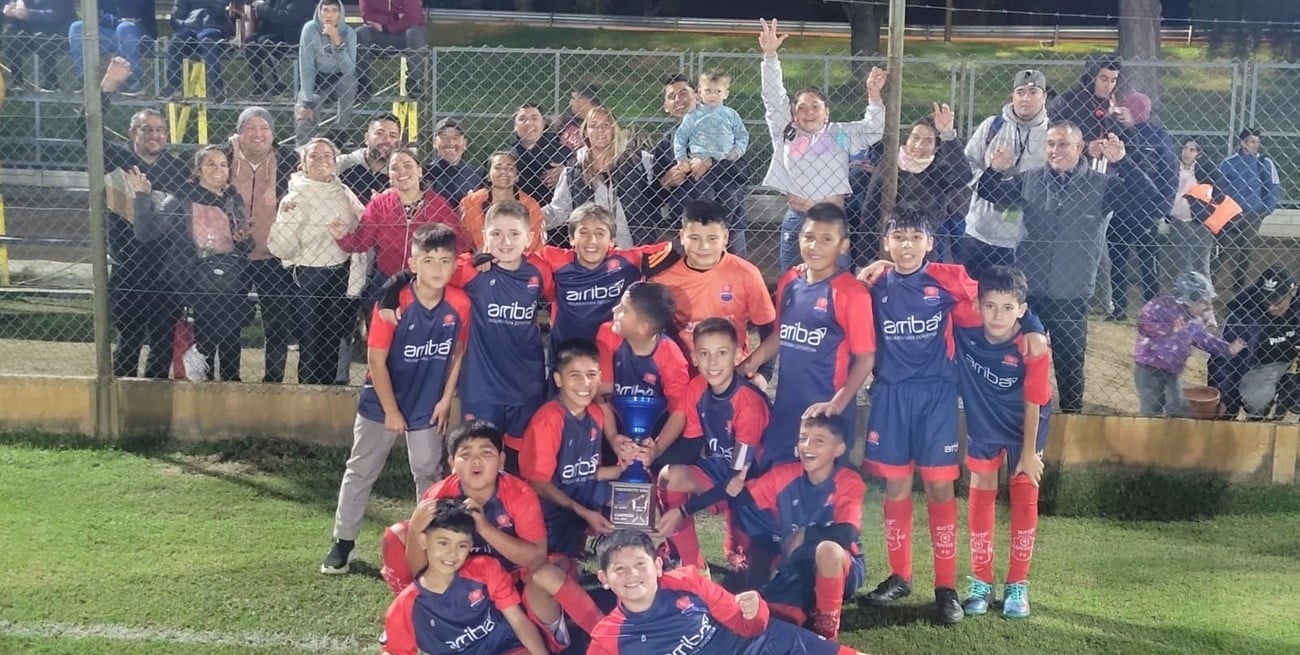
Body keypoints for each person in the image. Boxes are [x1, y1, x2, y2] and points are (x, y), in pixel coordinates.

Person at [854, 207, 986, 625]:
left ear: (930, 242)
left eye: (915, 237)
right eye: (898, 237)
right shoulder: (874, 285)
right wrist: (862, 275)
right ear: (886, 243)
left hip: (936, 398)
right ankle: (900, 577)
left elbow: (992, 305)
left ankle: (946, 588)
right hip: (891, 396)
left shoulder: (948, 279)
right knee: (896, 487)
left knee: (938, 490)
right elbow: (845, 303)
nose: (906, 245)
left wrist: (1032, 326)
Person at [977, 120, 1161, 414]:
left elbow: (1149, 197)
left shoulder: (1101, 184)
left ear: (1079, 147)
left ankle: (1072, 417)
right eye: (1050, 144)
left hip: (1072, 291)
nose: (1055, 150)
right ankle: (1015, 415)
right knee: (1020, 356)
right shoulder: (1030, 179)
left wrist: (1123, 162)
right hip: (1030, 289)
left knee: (1070, 361)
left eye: (1063, 144)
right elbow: (990, 192)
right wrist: (994, 169)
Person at [321, 224, 470, 575]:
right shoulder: (393, 305)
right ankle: (343, 541)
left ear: (454, 265)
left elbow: (458, 352)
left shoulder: (460, 303)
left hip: (427, 404)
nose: (437, 268)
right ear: (413, 263)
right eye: (428, 260)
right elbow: (375, 361)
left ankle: (430, 545)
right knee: (361, 470)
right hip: (381, 403)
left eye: (444, 261)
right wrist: (390, 410)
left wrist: (445, 398)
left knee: (428, 473)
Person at [379, 421, 605, 644]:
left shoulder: (519, 493)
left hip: (514, 574)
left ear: (501, 461)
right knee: (398, 534)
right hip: (467, 576)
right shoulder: (438, 496)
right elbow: (420, 571)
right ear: (452, 463)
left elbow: (536, 557)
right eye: (465, 454)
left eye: (486, 453)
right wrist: (416, 528)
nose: (476, 461)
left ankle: (603, 633)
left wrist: (484, 528)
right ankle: (413, 616)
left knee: (547, 573)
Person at [945, 265, 1050, 620]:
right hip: (984, 420)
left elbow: (1034, 401)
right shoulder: (966, 321)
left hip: (1026, 425)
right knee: (981, 488)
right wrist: (886, 267)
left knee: (1024, 488)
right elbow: (939, 276)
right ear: (978, 305)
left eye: (1008, 308)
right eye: (990, 306)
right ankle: (982, 581)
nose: (997, 315)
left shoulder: (1032, 345)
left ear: (1022, 310)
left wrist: (1029, 453)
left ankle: (1018, 584)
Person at [586, 529, 873, 655]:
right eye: (620, 569)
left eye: (640, 564)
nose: (632, 575)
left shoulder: (687, 581)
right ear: (604, 579)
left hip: (767, 643)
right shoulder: (608, 639)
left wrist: (755, 610)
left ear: (658, 566)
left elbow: (750, 627)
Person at [739, 203, 874, 467]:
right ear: (799, 238)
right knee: (774, 477)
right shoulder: (790, 281)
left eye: (826, 239)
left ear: (843, 246)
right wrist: (746, 366)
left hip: (826, 410)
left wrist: (837, 404)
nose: (815, 246)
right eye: (809, 237)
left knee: (821, 485)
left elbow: (866, 357)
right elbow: (781, 334)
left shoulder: (851, 293)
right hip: (787, 406)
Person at [757, 18, 887, 272]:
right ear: (794, 114)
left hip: (832, 220)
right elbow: (773, 98)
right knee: (792, 281)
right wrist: (770, 56)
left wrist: (873, 96)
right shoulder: (787, 133)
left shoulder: (837, 136)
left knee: (836, 282)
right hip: (797, 220)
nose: (809, 112)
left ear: (826, 112)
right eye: (802, 107)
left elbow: (872, 130)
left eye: (815, 106)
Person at [88, 59, 189, 379]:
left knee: (162, 341)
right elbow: (86, 128)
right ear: (133, 132)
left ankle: (155, 399)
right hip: (128, 266)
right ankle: (124, 398)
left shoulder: (178, 169)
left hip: (167, 270)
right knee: (129, 339)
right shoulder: (116, 159)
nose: (154, 135)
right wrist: (108, 86)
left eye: (160, 130)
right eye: (147, 129)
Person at [722, 415, 864, 640]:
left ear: (838, 449)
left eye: (819, 441)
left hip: (841, 567)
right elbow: (740, 501)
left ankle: (827, 630)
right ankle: (805, 606)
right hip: (795, 566)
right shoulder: (784, 475)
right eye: (803, 438)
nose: (807, 446)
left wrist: (805, 534)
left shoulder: (848, 480)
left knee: (827, 549)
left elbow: (846, 535)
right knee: (766, 622)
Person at [652, 317, 770, 573]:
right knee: (668, 476)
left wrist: (683, 510)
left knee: (762, 569)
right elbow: (691, 446)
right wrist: (649, 459)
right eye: (705, 353)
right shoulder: (697, 388)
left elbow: (736, 481)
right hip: (722, 470)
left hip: (756, 483)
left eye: (722, 353)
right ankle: (692, 567)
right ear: (695, 357)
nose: (713, 362)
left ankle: (744, 541)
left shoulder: (748, 405)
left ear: (737, 355)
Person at [132, 145, 252, 382]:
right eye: (210, 164)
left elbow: (243, 244)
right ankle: (190, 373)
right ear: (198, 170)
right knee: (187, 335)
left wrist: (243, 239)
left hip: (228, 279)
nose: (218, 169)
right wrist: (142, 196)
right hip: (192, 278)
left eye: (223, 165)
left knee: (235, 328)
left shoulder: (232, 199)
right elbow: (146, 232)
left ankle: (225, 381)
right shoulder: (181, 197)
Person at [520, 339, 647, 559]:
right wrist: (583, 512)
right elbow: (539, 484)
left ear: (600, 377)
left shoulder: (595, 414)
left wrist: (625, 467)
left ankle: (613, 550)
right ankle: (568, 552)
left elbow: (587, 472)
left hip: (580, 501)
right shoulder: (548, 420)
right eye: (575, 375)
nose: (585, 383)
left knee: (635, 499)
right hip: (551, 508)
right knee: (555, 569)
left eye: (591, 374)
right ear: (558, 379)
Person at [452, 201, 554, 470]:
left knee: (520, 464)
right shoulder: (470, 270)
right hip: (482, 387)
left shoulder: (539, 270)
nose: (505, 242)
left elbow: (562, 296)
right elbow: (425, 273)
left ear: (529, 238)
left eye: (514, 234)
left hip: (526, 385)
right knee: (480, 458)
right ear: (484, 235)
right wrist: (392, 293)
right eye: (496, 234)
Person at [380, 500, 549, 655]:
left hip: (506, 648)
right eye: (443, 543)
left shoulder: (486, 569)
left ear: (470, 546)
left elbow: (518, 620)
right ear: (423, 541)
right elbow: (395, 651)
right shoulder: (407, 606)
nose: (452, 553)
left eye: (461, 545)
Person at [267, 137, 365, 385]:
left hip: (340, 275)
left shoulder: (344, 192)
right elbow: (282, 248)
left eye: (327, 156)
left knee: (333, 341)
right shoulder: (295, 195)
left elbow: (364, 224)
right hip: (307, 278)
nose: (322, 160)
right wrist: (289, 219)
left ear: (335, 161)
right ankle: (308, 396)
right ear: (303, 164)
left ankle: (328, 395)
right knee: (310, 343)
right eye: (314, 156)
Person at [650, 200, 776, 367]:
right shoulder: (663, 278)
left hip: (732, 369)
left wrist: (763, 372)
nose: (704, 246)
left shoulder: (747, 274)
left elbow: (768, 328)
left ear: (725, 237)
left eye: (712, 238)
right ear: (681, 237)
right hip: (682, 370)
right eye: (694, 238)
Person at [226, 107, 302, 384]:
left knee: (278, 321)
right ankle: (228, 379)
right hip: (232, 253)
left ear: (273, 133)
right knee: (230, 320)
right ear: (239, 133)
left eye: (264, 128)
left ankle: (273, 381)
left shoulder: (289, 160)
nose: (258, 134)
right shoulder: (224, 157)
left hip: (273, 254)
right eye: (250, 128)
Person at [330, 148, 465, 301]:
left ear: (419, 171)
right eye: (395, 168)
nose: (402, 171)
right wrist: (341, 235)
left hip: (426, 283)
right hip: (386, 280)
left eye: (408, 165)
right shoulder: (379, 204)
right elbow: (361, 242)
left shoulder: (439, 205)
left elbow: (458, 245)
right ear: (389, 175)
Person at [959, 69, 1050, 281]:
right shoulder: (992, 126)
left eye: (1033, 92)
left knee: (1015, 295)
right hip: (980, 231)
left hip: (1024, 238)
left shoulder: (1051, 134)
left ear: (1044, 97)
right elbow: (967, 165)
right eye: (1020, 92)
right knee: (971, 294)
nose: (1025, 98)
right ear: (1012, 96)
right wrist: (991, 172)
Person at [864, 104, 971, 265]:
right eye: (915, 138)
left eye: (928, 141)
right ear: (907, 139)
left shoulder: (938, 172)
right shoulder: (889, 165)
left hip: (924, 251)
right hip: (887, 247)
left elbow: (964, 175)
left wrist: (948, 135)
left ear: (936, 147)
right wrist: (864, 259)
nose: (919, 145)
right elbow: (869, 210)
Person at [596, 282, 691, 465]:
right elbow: (603, 395)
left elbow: (679, 412)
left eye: (624, 309)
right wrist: (613, 437)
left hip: (653, 432)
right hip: (612, 424)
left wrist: (656, 449)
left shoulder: (671, 355)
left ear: (643, 328)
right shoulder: (607, 334)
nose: (614, 309)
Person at [1105, 92, 1178, 321]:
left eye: (1127, 108)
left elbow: (1169, 172)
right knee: (1124, 261)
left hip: (1141, 209)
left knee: (1141, 261)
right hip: (1126, 210)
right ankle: (1125, 307)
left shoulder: (1155, 136)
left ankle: (1139, 308)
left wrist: (1163, 206)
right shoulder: (1120, 133)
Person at [1134, 271, 1244, 417]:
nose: (1207, 307)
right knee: (1152, 406)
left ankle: (1173, 427)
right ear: (1191, 299)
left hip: (1172, 372)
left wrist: (1228, 349)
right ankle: (1151, 426)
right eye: (1204, 302)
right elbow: (1143, 323)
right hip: (1149, 369)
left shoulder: (1193, 322)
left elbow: (1206, 341)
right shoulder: (1161, 306)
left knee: (1178, 407)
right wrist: (1168, 330)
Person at [542, 106, 648, 250]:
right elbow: (558, 210)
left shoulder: (636, 162)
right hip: (591, 251)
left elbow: (659, 191)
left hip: (632, 250)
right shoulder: (574, 170)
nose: (600, 130)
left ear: (614, 130)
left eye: (606, 125)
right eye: (594, 126)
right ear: (585, 131)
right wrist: (528, 217)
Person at [672, 69, 752, 256]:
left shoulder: (731, 115)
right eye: (708, 91)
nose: (713, 95)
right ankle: (706, 232)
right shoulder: (693, 116)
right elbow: (680, 139)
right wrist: (682, 160)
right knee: (705, 199)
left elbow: (742, 136)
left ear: (726, 93)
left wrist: (736, 152)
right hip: (701, 166)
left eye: (717, 91)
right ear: (700, 92)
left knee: (730, 199)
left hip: (724, 165)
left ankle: (723, 232)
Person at [1209, 266, 1299, 420]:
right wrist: (1225, 398)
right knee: (1255, 398)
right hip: (1262, 366)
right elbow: (1224, 359)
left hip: (1293, 363)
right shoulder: (1244, 314)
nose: (1271, 307)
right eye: (1266, 300)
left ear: (1293, 291)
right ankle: (1259, 418)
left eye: (1277, 301)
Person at [1217, 128, 1282, 294]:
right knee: (1223, 246)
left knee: (1246, 248)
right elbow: (1220, 186)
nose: (1256, 145)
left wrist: (1265, 210)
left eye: (1257, 142)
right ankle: (1213, 279)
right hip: (1231, 214)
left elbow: (1273, 187)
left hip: (1253, 213)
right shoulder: (1229, 163)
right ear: (1242, 143)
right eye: (1252, 141)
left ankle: (1239, 282)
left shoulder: (1264, 162)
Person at [295, 0, 357, 146]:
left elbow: (349, 70)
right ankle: (303, 147)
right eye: (326, 10)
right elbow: (306, 65)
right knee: (304, 110)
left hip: (339, 78)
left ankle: (340, 133)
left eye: (334, 11)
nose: (329, 15)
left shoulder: (349, 33)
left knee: (350, 83)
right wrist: (307, 100)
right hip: (316, 78)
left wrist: (337, 42)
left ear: (340, 14)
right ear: (319, 12)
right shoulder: (310, 29)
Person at [645, 73, 699, 243]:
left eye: (683, 93)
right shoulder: (665, 144)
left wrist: (710, 163)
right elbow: (653, 200)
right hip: (684, 230)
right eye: (671, 97)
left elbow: (743, 172)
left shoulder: (723, 129)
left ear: (697, 96)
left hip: (725, 224)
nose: (678, 100)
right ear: (666, 107)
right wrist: (666, 182)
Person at [460, 151, 545, 255]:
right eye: (497, 167)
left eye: (510, 168)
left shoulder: (530, 205)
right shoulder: (471, 202)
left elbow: (536, 244)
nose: (504, 172)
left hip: (521, 259)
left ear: (517, 177)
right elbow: (467, 240)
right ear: (488, 176)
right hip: (481, 258)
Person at [68, 0, 156, 93]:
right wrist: (116, 21)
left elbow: (132, 14)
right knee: (77, 27)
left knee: (124, 28)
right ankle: (85, 80)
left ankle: (133, 81)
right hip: (109, 33)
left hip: (137, 34)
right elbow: (93, 14)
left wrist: (117, 21)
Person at [1168, 138, 1221, 280]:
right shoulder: (1174, 168)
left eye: (1192, 150)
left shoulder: (1203, 170)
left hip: (1198, 223)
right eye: (1185, 148)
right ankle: (1186, 292)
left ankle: (1204, 293)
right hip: (1177, 221)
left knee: (1201, 266)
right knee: (1183, 265)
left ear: (1199, 154)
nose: (1187, 152)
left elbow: (1217, 192)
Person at [162, 0, 234, 100]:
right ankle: (173, 84)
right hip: (189, 28)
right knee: (177, 40)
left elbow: (235, 11)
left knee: (208, 42)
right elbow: (177, 15)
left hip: (214, 28)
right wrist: (181, 25)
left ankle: (217, 88)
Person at [355, 0, 426, 98]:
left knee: (416, 33)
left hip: (404, 35)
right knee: (360, 33)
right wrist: (396, 17)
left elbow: (413, 17)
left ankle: (414, 84)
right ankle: (363, 85)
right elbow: (368, 16)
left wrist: (389, 27)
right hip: (379, 33)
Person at [507, 104, 570, 215]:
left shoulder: (563, 152)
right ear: (515, 125)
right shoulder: (506, 156)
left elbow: (580, 179)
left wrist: (565, 174)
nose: (528, 123)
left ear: (543, 123)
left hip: (556, 217)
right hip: (515, 215)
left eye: (534, 118)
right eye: (522, 119)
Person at [1048, 55, 1121, 147]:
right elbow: (1053, 137)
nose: (1108, 86)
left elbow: (1130, 144)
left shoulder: (1113, 105)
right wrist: (1087, 147)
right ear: (1091, 78)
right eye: (1104, 80)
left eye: (1113, 81)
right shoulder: (1066, 102)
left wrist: (1128, 125)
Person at [245, 0, 314, 97]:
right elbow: (269, 15)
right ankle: (260, 84)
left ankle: (279, 84)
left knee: (266, 42)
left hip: (293, 37)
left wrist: (262, 7)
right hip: (276, 33)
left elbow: (286, 17)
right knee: (251, 41)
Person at [2, 0, 72, 91]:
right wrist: (11, 11)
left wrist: (29, 14)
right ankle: (16, 83)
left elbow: (57, 16)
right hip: (30, 31)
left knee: (42, 36)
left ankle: (51, 84)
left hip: (56, 32)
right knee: (10, 32)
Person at [337, 112, 403, 205]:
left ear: (398, 143)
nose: (387, 140)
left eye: (393, 136)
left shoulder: (403, 172)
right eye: (380, 133)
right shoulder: (343, 164)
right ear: (367, 138)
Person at [425, 118, 480, 210]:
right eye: (444, 137)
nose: (450, 142)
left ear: (465, 143)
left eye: (455, 138)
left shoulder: (475, 174)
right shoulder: (425, 174)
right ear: (434, 143)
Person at [557, 83, 600, 152]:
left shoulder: (600, 124)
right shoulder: (569, 120)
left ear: (586, 101)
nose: (570, 103)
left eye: (573, 98)